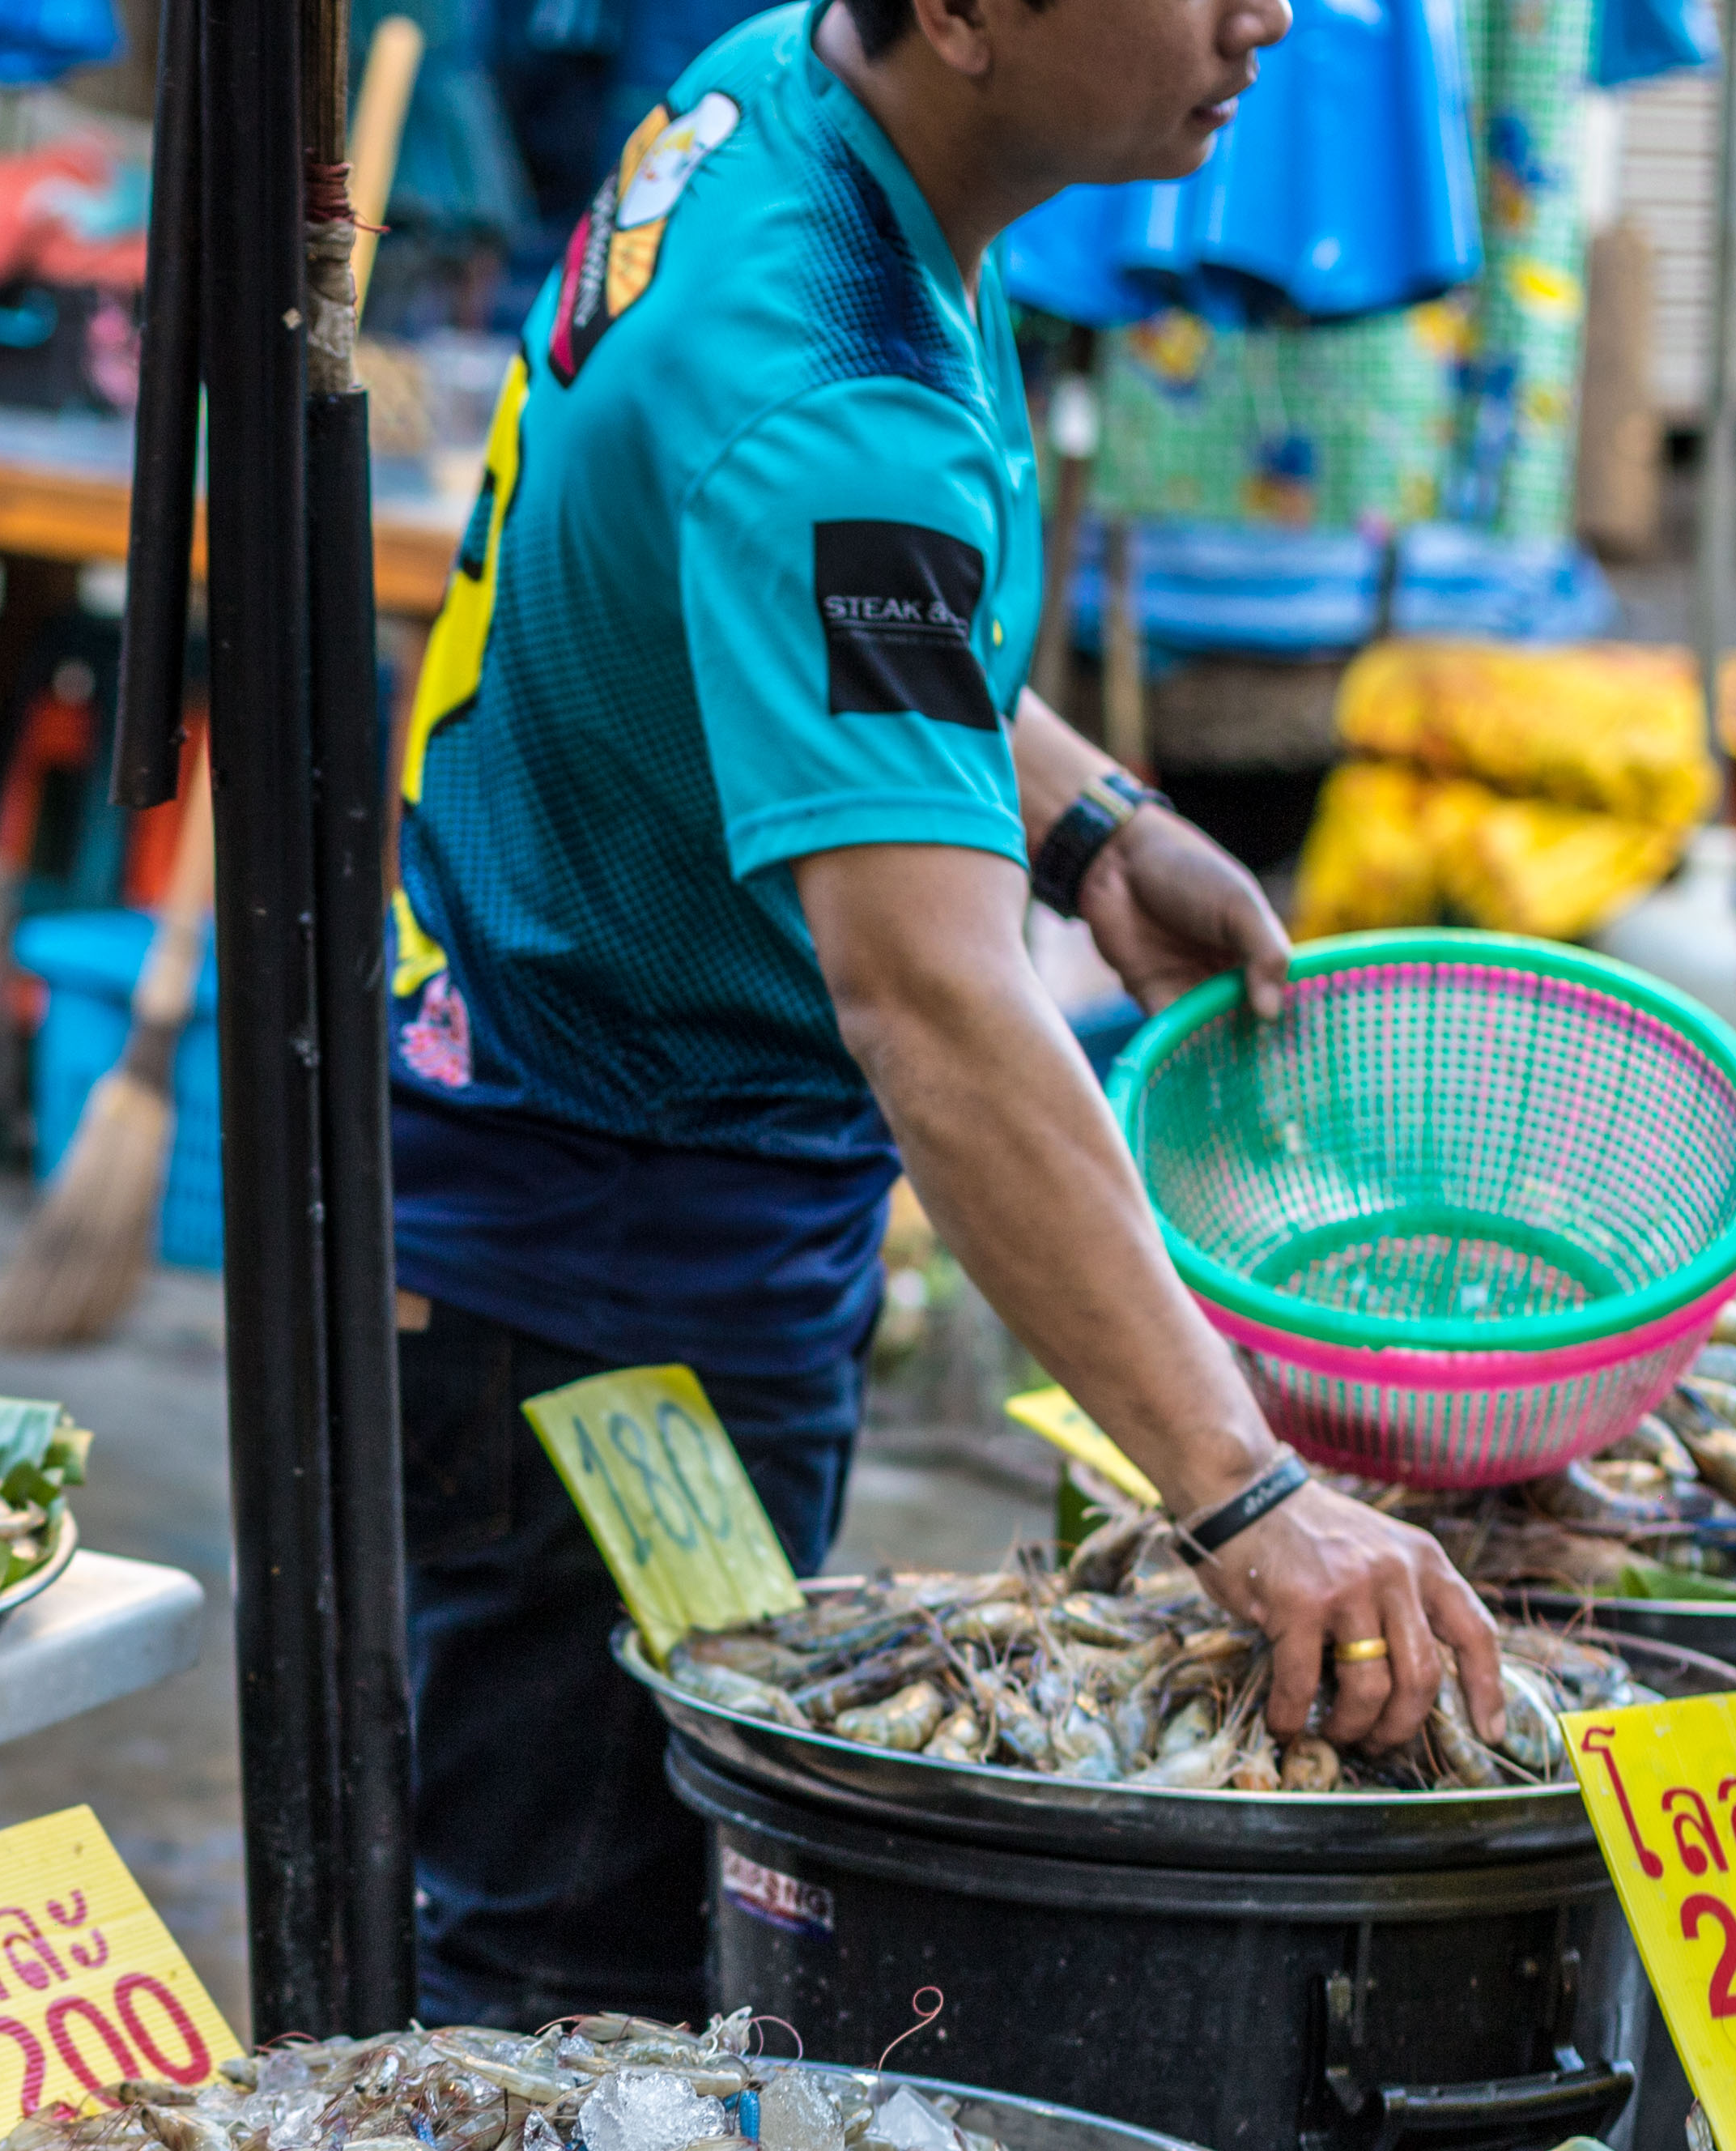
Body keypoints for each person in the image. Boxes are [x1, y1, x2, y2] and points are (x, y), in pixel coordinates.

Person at [382, 0, 1504, 2024]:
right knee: (571, 1969)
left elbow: (801, 610)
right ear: (973, 13)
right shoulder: (835, 379)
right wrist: (1245, 1495)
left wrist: (1085, 824)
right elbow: (933, 1006)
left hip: (564, 1121)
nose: (1264, 16)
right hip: (607, 1241)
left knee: (597, 1894)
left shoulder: (777, 97)